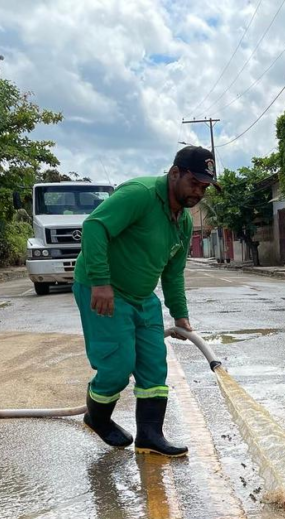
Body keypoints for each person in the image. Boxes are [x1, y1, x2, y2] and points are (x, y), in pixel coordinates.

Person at [73, 146, 219, 457]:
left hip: (142, 297)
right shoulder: (139, 194)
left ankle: (150, 436)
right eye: (194, 183)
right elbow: (94, 226)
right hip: (105, 290)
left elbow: (173, 273)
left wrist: (180, 315)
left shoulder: (182, 222)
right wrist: (100, 281)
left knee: (154, 364)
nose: (198, 192)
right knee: (118, 364)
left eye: (204, 187)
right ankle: (97, 418)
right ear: (174, 173)